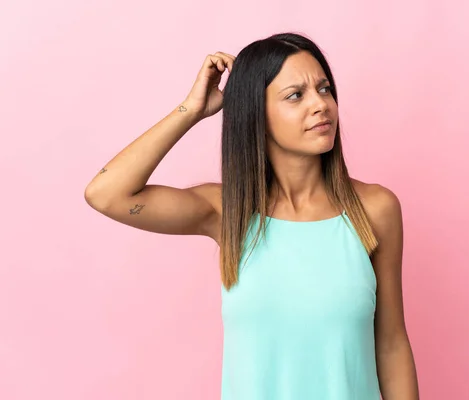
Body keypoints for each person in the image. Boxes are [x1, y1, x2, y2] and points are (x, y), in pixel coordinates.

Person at [84, 32, 419, 400]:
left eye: (324, 89)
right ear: (256, 112)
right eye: (296, 95)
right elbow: (106, 195)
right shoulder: (228, 211)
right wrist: (191, 109)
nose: (320, 105)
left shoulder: (374, 209)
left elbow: (390, 344)